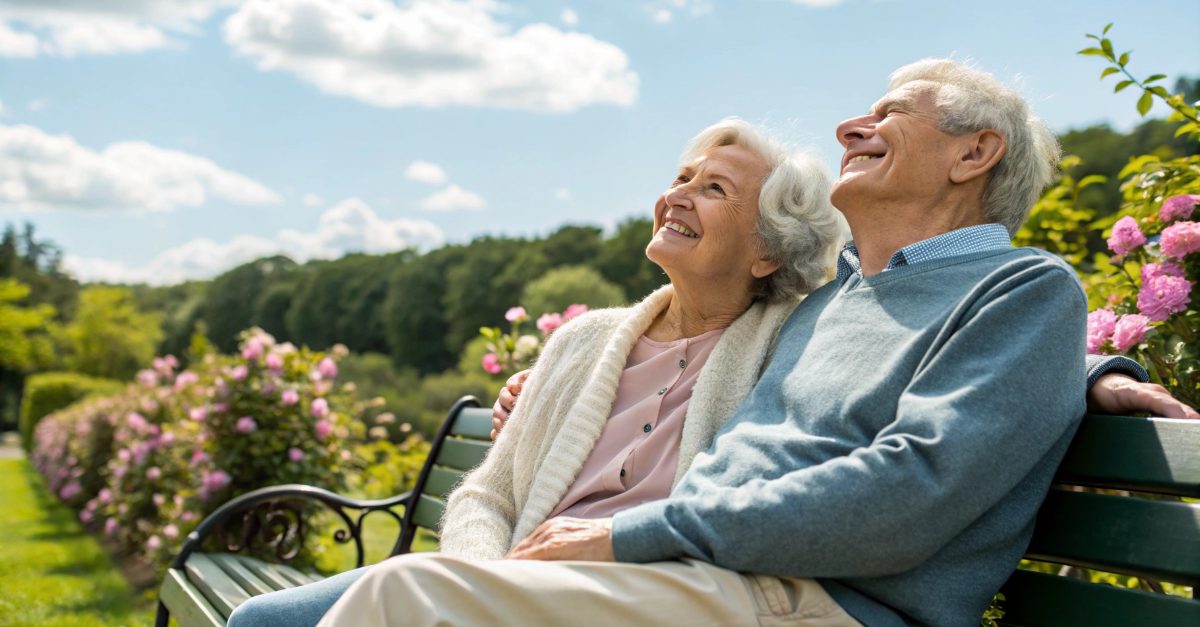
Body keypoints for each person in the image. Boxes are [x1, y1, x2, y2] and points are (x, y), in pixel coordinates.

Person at [317, 59, 1195, 627]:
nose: (851, 127)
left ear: (974, 155)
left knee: (403, 597)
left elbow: (915, 485)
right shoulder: (829, 304)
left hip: (819, 603)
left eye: (889, 113)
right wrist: (1085, 372)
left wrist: (629, 535)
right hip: (725, 582)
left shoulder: (1022, 289)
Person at [228, 117, 845, 626]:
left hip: (631, 593)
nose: (676, 195)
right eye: (682, 177)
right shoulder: (585, 340)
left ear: (767, 250)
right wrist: (482, 577)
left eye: (714, 190)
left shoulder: (794, 346)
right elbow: (488, 494)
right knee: (258, 621)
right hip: (506, 575)